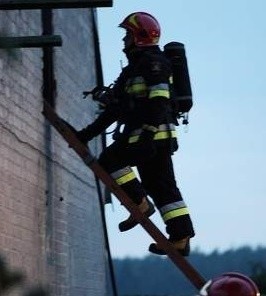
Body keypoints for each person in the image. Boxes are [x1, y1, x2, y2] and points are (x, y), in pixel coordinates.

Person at [75, 12, 195, 256]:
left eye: (127, 35)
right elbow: (116, 108)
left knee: (115, 162)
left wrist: (149, 132)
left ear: (139, 36)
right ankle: (177, 235)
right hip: (143, 136)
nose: (123, 41)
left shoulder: (155, 64)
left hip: (152, 137)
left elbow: (160, 101)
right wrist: (86, 134)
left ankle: (145, 207)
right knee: (160, 186)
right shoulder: (133, 69)